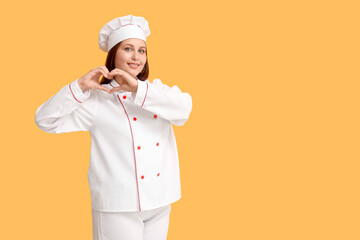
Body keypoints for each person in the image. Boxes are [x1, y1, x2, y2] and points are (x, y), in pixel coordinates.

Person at [35, 15, 192, 240]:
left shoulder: (157, 92)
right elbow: (45, 120)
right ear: (113, 54)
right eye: (128, 48)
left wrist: (138, 89)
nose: (136, 57)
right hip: (117, 206)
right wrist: (79, 87)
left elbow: (184, 110)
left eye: (142, 50)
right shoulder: (98, 100)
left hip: (160, 200)